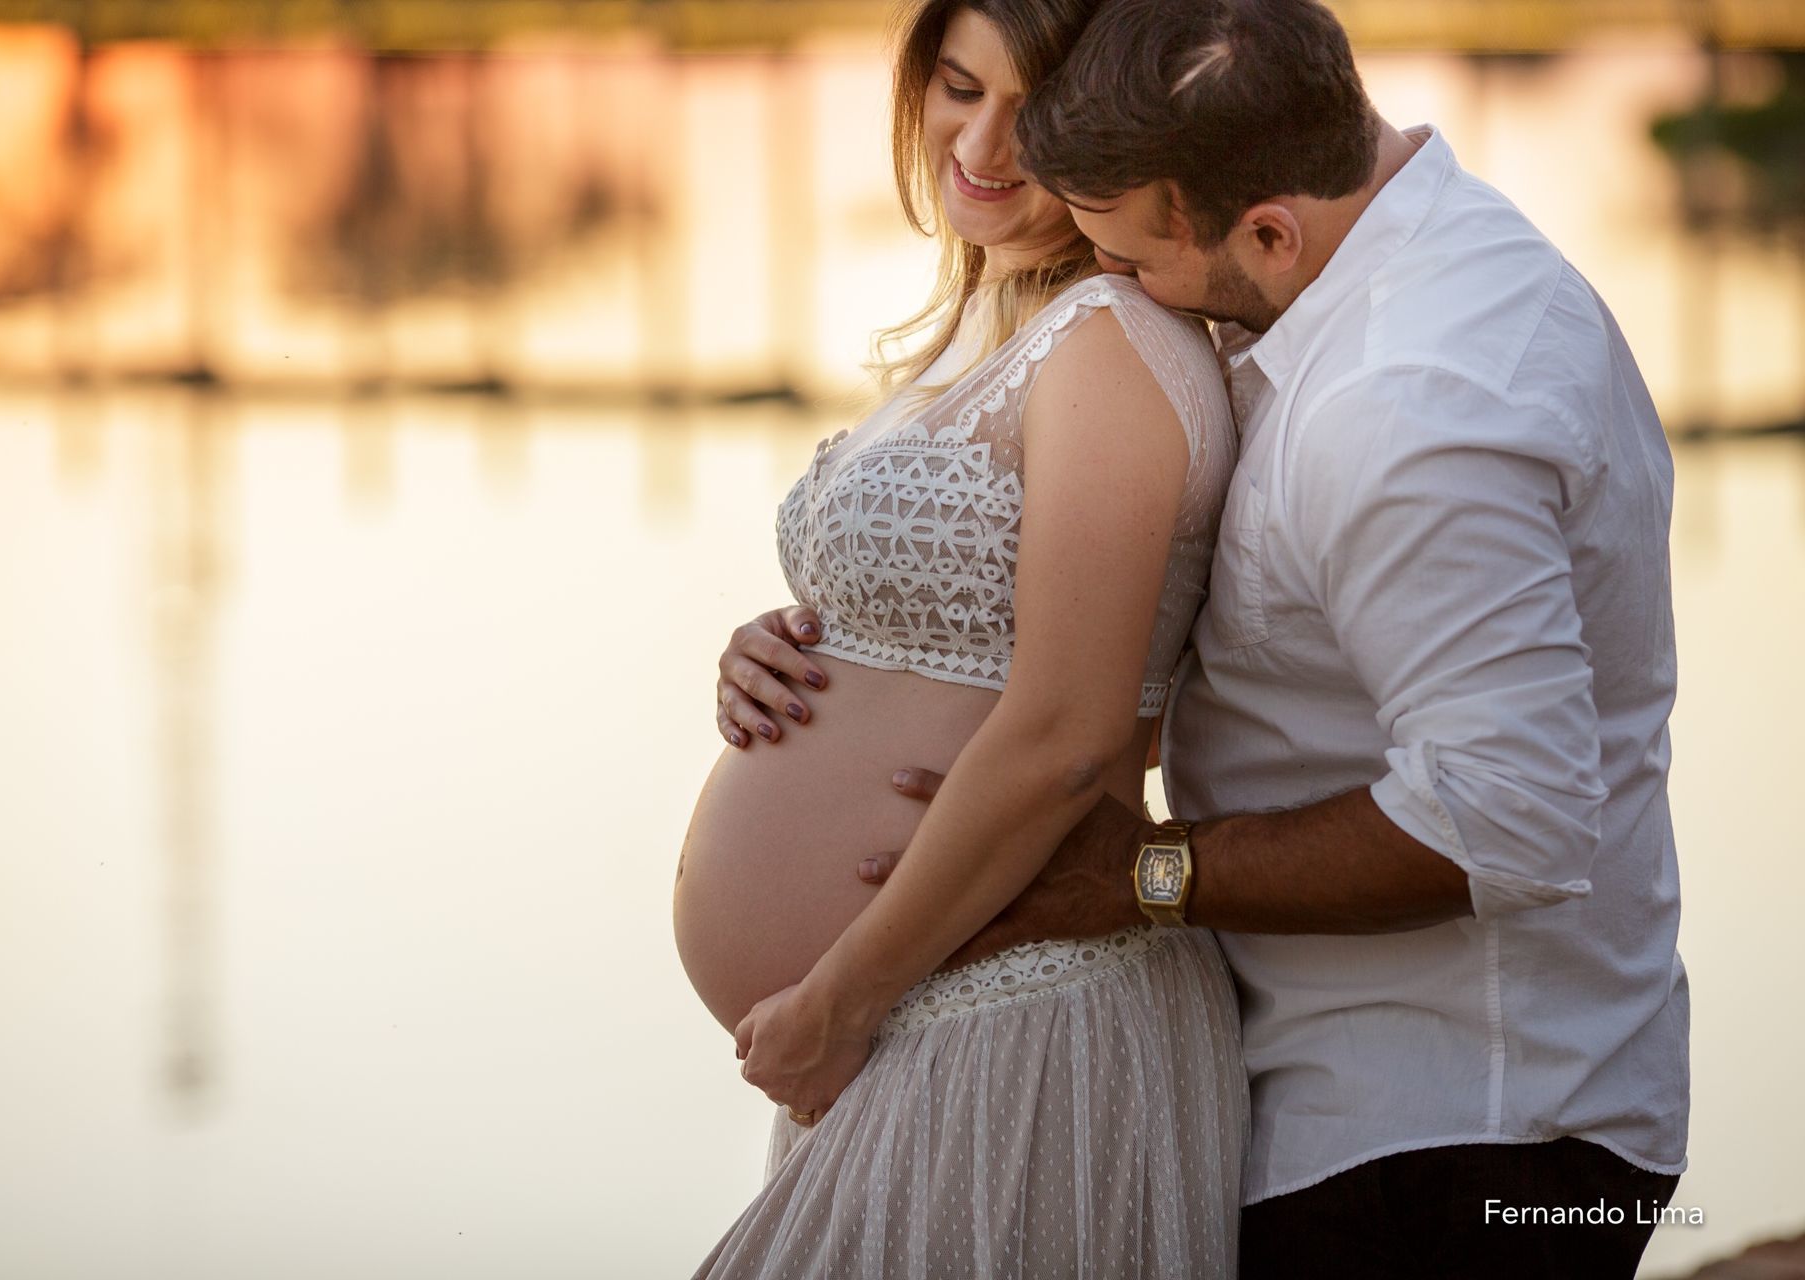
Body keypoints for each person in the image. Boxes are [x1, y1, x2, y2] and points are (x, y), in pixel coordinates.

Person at [726, 0, 1691, 1276]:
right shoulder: (1388, 260)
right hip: (1349, 1094)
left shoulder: (1414, 411)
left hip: (1460, 1130)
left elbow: (1506, 819)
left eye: (1128, 260)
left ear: (1268, 231)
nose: (1111, 288)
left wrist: (1142, 875)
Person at [672, 0, 1248, 1274]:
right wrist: (786, 648)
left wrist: (842, 996)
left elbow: (1067, 732)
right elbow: (955, 629)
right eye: (955, 87)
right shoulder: (994, 326)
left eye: (1034, 111)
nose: (985, 143)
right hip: (911, 1018)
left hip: (997, 1013)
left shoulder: (1107, 346)